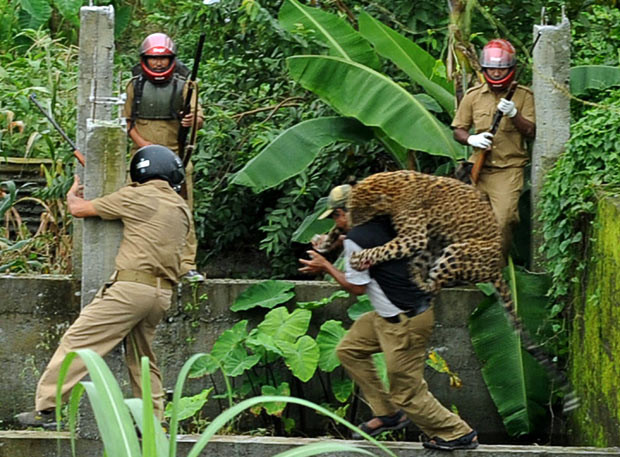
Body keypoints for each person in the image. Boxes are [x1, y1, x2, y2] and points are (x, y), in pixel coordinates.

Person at [16, 145, 191, 427]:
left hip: (130, 290)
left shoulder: (135, 196)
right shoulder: (180, 207)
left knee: (79, 342)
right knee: (143, 359)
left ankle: (47, 408)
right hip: (161, 294)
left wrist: (74, 192)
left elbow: (79, 209)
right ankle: (153, 421)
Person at [299, 185, 478, 451]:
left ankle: (457, 433)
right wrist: (335, 243)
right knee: (349, 350)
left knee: (406, 393)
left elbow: (357, 287)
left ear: (344, 213)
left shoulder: (356, 240)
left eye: (335, 217)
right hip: (390, 315)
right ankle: (387, 414)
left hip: (404, 323)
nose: (336, 224)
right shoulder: (390, 221)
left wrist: (324, 265)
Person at [123, 32, 204, 281]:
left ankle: (185, 265)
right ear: (144, 59)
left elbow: (198, 118)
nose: (158, 64)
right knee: (135, 210)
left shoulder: (186, 86)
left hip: (176, 158)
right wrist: (144, 145)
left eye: (164, 59)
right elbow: (126, 123)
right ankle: (137, 264)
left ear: (172, 60)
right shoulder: (134, 85)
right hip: (141, 158)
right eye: (153, 59)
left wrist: (192, 120)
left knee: (182, 211)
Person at [452, 38, 536, 258]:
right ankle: (467, 266)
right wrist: (471, 140)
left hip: (508, 169)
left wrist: (514, 114)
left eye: (501, 69)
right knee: (465, 221)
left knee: (504, 220)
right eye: (492, 69)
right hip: (477, 168)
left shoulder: (524, 96)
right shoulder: (473, 96)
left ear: (511, 69)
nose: (496, 73)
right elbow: (458, 129)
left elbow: (532, 131)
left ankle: (494, 266)